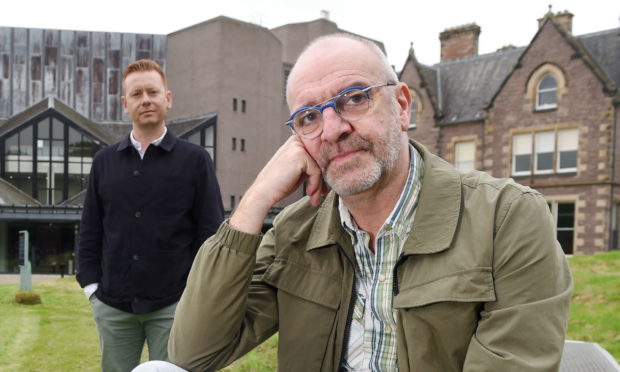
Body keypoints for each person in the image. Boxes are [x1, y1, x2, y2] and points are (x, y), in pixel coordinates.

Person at [141, 34, 572, 372]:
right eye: (309, 116)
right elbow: (192, 354)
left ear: (402, 106)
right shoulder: (295, 232)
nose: (332, 129)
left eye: (354, 98)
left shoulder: (507, 218)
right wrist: (256, 198)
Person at [77, 59, 224, 372]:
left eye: (153, 92)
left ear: (167, 99)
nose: (145, 99)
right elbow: (90, 228)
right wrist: (91, 286)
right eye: (137, 94)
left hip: (174, 304)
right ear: (124, 104)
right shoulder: (104, 161)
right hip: (112, 304)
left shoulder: (195, 160)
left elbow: (209, 232)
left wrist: (194, 294)